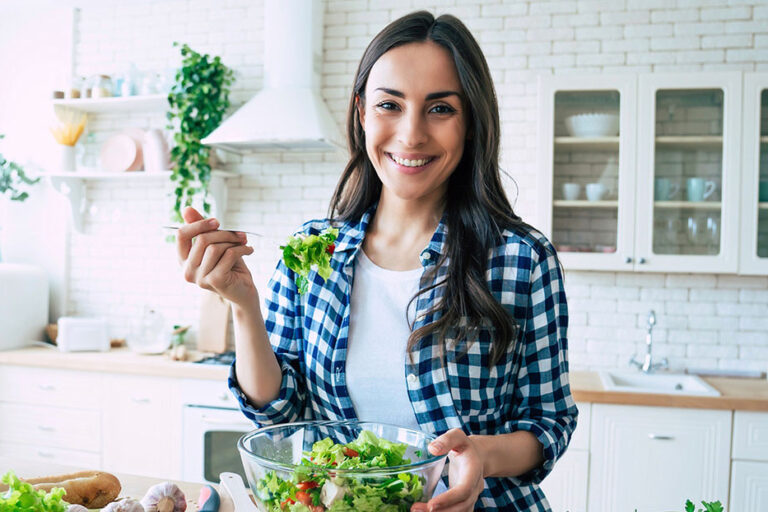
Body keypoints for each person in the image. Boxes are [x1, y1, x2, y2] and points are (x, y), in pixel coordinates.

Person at [177, 10, 578, 512]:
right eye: (390, 104)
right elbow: (280, 416)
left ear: (471, 122)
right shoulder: (313, 252)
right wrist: (243, 307)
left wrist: (480, 454)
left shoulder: (522, 259)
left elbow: (547, 422)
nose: (411, 135)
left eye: (440, 109)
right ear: (363, 112)